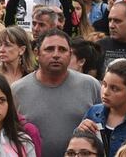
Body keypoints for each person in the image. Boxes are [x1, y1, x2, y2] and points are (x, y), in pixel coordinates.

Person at [12, 29, 101, 157]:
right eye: (49, 49)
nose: (56, 55)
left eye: (62, 50)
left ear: (70, 54)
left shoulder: (90, 85)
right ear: (37, 53)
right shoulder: (17, 90)